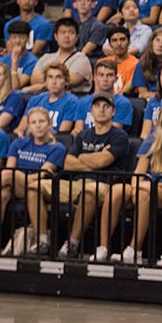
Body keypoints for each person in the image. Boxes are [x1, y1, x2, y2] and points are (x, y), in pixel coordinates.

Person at [96, 103, 162, 264]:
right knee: (117, 190)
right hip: (145, 187)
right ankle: (103, 247)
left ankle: (134, 250)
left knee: (145, 190)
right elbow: (139, 171)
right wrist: (135, 188)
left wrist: (150, 186)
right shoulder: (153, 141)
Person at [0, 108, 67, 256]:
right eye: (33, 122)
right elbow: (9, 168)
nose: (38, 125)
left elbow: (42, 174)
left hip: (37, 186)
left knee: (11, 175)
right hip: (13, 184)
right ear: (29, 126)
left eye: (41, 121)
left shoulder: (56, 147)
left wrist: (17, 177)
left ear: (49, 125)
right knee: (0, 196)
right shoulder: (19, 143)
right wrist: (14, 178)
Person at [57, 94, 130, 258]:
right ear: (91, 111)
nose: (101, 110)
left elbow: (103, 162)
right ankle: (42, 238)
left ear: (113, 112)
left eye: (106, 107)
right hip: (76, 183)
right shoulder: (83, 135)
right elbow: (68, 163)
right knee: (35, 188)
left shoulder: (119, 136)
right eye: (97, 106)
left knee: (89, 192)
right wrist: (94, 160)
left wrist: (82, 158)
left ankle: (72, 243)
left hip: (103, 184)